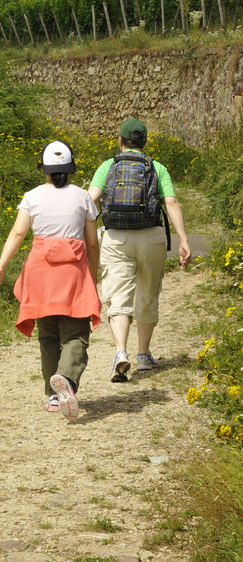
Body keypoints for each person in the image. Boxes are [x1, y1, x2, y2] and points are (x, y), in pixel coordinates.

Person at [0, 140, 101, 420]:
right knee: (76, 333)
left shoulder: (32, 196)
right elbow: (92, 243)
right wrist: (93, 274)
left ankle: (53, 396)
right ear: (71, 169)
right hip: (72, 270)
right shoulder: (83, 197)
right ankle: (65, 379)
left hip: (40, 272)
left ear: (45, 171)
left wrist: (1, 266)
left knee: (48, 334)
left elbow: (17, 234)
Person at [88, 117, 191, 383]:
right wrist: (183, 240)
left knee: (119, 298)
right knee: (147, 294)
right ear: (144, 142)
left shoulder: (108, 165)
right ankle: (143, 355)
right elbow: (171, 202)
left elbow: (90, 200)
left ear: (120, 141)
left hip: (116, 238)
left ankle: (120, 353)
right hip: (152, 238)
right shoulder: (157, 167)